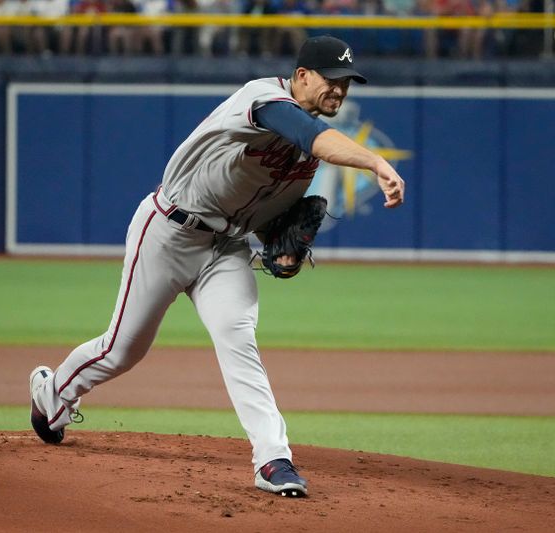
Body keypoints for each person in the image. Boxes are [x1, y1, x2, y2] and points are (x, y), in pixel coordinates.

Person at [28, 35, 405, 498]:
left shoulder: (304, 158)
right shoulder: (264, 97)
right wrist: (375, 163)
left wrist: (278, 247)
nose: (341, 91)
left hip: (224, 247)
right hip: (166, 233)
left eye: (348, 83)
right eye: (334, 79)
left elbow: (265, 216)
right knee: (123, 350)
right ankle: (52, 393)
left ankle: (273, 459)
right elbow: (312, 137)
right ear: (302, 75)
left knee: (238, 339)